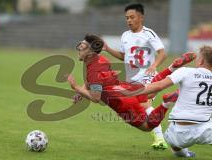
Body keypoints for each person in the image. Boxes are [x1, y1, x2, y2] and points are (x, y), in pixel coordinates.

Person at [67, 34, 195, 133]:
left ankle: (166, 104)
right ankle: (172, 67)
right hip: (123, 88)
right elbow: (94, 81)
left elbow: (95, 97)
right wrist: (83, 92)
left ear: (90, 52)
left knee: (147, 126)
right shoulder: (100, 59)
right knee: (152, 91)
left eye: (82, 47)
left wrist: (77, 88)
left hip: (121, 101)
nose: (79, 48)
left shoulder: (92, 69)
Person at [122, 45, 212, 158]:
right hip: (206, 129)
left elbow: (158, 86)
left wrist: (131, 91)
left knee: (176, 145)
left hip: (180, 131)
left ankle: (166, 104)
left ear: (201, 61)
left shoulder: (186, 71)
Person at [103, 3, 167, 149]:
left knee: (146, 104)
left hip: (147, 75)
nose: (129, 20)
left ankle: (160, 138)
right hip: (132, 80)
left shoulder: (148, 33)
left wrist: (154, 65)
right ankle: (162, 137)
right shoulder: (125, 35)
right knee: (141, 107)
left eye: (132, 17)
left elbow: (162, 53)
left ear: (141, 17)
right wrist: (107, 49)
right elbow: (123, 56)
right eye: (127, 18)